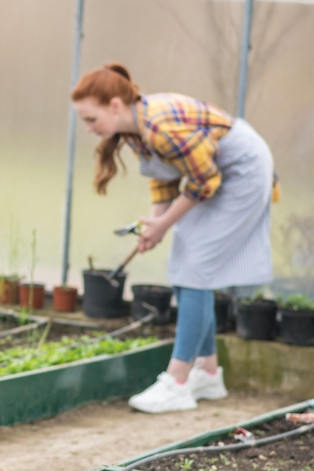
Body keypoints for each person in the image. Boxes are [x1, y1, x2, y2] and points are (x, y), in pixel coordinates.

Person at [71, 63, 278, 414]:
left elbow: (204, 182)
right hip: (217, 175)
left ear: (115, 106)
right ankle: (207, 372)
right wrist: (154, 223)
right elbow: (165, 181)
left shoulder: (159, 127)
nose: (89, 129)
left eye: (91, 120)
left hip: (242, 172)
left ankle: (177, 382)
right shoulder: (136, 131)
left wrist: (164, 223)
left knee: (195, 269)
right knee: (185, 265)